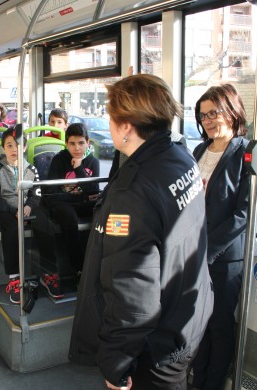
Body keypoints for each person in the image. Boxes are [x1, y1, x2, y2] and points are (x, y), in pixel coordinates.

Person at [69, 74, 213, 390]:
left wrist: (116, 363)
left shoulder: (132, 192)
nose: (108, 124)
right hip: (187, 316)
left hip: (155, 344)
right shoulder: (181, 158)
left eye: (111, 117)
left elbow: (133, 289)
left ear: (126, 127)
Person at [190, 84, 252, 390]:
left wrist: (208, 251)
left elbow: (243, 213)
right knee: (199, 324)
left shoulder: (247, 151)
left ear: (232, 109)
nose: (208, 120)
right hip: (194, 252)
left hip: (224, 258)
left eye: (214, 112)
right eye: (203, 116)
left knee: (220, 326)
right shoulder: (199, 150)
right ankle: (197, 380)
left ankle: (212, 385)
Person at [0, 127, 41, 304]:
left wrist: (29, 206)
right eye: (9, 145)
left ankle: (47, 272)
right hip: (4, 210)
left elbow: (37, 193)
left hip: (24, 209)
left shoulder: (31, 169)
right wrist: (13, 210)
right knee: (11, 227)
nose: (13, 149)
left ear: (24, 147)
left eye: (18, 145)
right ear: (3, 148)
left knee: (45, 222)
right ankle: (14, 277)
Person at [43, 122, 99, 286]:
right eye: (72, 144)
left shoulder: (92, 162)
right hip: (62, 205)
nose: (77, 148)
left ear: (87, 142)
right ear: (66, 144)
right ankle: (79, 268)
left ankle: (98, 262)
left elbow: (93, 192)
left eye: (81, 143)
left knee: (103, 210)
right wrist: (80, 197)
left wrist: (80, 169)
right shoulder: (59, 160)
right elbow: (53, 192)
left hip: (78, 203)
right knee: (70, 219)